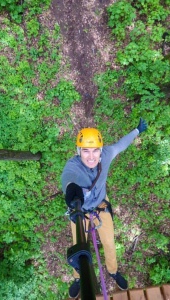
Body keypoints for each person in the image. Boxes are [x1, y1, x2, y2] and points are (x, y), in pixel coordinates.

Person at [61, 118, 147, 298]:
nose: (91, 156)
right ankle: (78, 277)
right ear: (79, 152)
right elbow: (68, 178)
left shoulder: (105, 155)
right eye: (85, 151)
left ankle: (113, 271)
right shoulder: (73, 166)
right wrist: (71, 192)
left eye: (95, 151)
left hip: (101, 206)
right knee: (79, 248)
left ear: (101, 151)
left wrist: (137, 131)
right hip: (80, 212)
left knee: (109, 243)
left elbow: (120, 145)